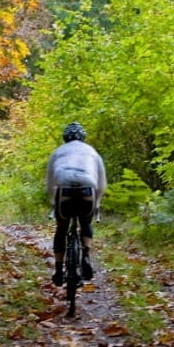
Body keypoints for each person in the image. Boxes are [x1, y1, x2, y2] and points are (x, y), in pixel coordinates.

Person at [45, 122, 106, 286]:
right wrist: (97, 203)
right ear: (83, 138)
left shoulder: (57, 152)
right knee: (85, 222)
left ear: (65, 138)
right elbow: (101, 183)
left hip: (64, 190)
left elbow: (50, 183)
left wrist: (53, 202)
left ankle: (58, 270)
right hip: (87, 190)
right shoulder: (92, 152)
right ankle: (85, 256)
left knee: (62, 228)